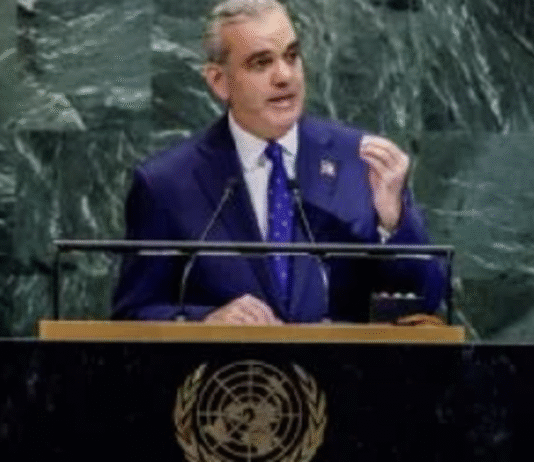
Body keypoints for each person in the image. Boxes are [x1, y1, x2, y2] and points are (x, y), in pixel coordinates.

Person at [112, 0, 445, 324]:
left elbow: (426, 302)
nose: (284, 76)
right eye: (261, 63)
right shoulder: (167, 185)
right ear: (219, 81)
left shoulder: (361, 164)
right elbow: (132, 315)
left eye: (292, 56)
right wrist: (206, 321)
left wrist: (394, 223)